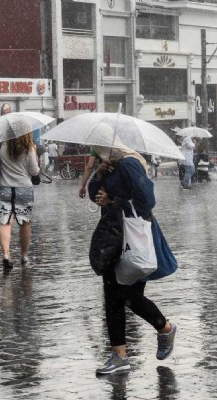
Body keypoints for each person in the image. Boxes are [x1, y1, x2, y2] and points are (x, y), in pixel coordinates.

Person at [88, 144, 176, 375]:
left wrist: (114, 200)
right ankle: (120, 356)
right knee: (112, 297)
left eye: (94, 146)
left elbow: (147, 201)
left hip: (134, 236)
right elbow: (93, 193)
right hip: (112, 236)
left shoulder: (129, 163)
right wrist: (98, 175)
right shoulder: (107, 164)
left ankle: (165, 328)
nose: (91, 150)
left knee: (131, 297)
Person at [0, 127, 40, 269]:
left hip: (5, 189)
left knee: (6, 222)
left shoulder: (1, 146)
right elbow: (34, 171)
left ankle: (6, 255)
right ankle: (24, 255)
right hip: (24, 190)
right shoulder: (29, 148)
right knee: (25, 223)